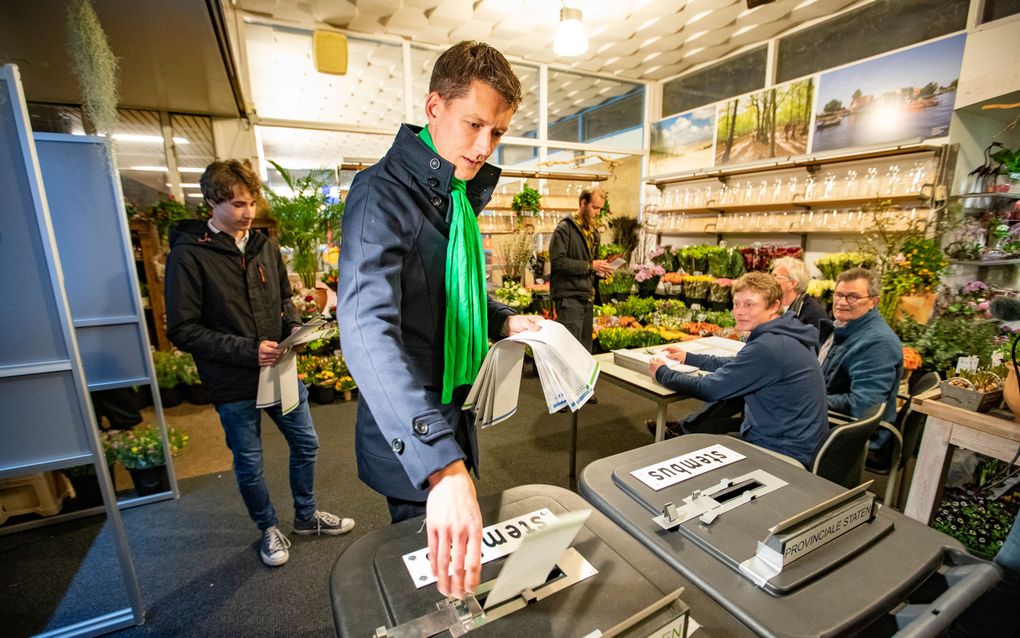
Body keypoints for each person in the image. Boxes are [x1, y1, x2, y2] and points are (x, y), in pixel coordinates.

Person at [337, 41, 541, 600]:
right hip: (413, 423)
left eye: (497, 133)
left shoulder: (452, 193)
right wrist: (440, 465)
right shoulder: (382, 193)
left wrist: (500, 321)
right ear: (433, 108)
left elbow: (444, 292)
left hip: (455, 406)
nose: (483, 146)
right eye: (473, 124)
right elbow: (364, 326)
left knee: (452, 563)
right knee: (430, 578)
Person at [165, 160, 354, 568]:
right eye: (236, 204)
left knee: (307, 444)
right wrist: (248, 350)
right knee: (250, 463)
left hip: (280, 371)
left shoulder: (262, 246)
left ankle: (305, 517)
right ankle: (268, 526)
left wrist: (295, 328)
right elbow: (183, 329)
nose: (248, 212)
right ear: (211, 202)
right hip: (232, 380)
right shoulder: (189, 256)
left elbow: (283, 299)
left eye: (251, 202)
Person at [648, 272, 827, 466]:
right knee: (707, 428)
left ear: (774, 306)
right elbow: (740, 364)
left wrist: (663, 373)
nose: (739, 311)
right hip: (799, 441)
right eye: (736, 304)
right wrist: (690, 358)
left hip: (782, 451)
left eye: (749, 304)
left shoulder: (769, 346)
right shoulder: (785, 332)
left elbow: (710, 388)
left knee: (690, 451)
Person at [820, 268, 903, 424]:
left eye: (853, 297)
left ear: (874, 301)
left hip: (852, 436)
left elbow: (863, 405)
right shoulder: (842, 328)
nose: (842, 302)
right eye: (838, 295)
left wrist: (808, 400)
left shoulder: (878, 343)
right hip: (827, 420)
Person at [549, 188, 614, 354]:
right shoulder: (565, 229)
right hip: (570, 298)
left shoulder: (593, 233)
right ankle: (567, 381)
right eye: (594, 207)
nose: (597, 212)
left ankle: (582, 381)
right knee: (569, 350)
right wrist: (590, 266)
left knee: (585, 351)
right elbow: (558, 262)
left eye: (600, 208)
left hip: (587, 297)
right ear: (583, 203)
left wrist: (600, 271)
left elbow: (591, 263)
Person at [771, 256, 829, 336]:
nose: (770, 280)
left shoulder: (812, 314)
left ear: (792, 283)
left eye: (775, 276)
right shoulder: (771, 305)